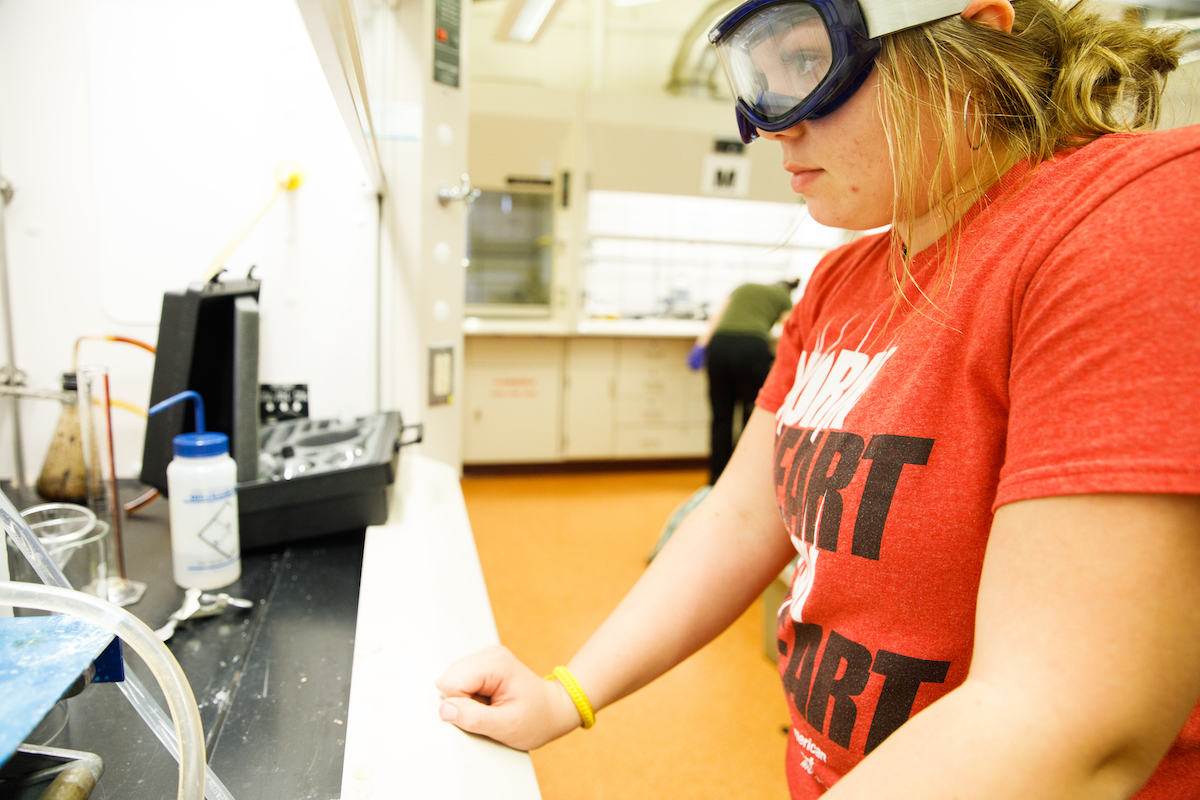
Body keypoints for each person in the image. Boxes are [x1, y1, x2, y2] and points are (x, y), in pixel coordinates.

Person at [436, 1, 1200, 797]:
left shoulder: (1131, 218)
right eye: (757, 80)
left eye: (806, 64)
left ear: (975, 38)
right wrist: (568, 692)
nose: (770, 126)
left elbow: (1064, 721)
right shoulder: (839, 284)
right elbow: (737, 519)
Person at [689, 279, 800, 483]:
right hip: (750, 346)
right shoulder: (783, 297)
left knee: (721, 416)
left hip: (719, 345)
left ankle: (716, 478)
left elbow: (716, 318)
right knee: (753, 415)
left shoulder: (743, 287)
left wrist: (700, 346)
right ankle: (744, 478)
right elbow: (791, 329)